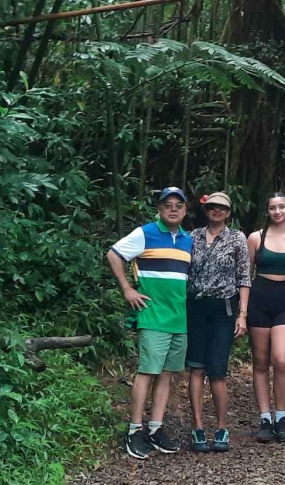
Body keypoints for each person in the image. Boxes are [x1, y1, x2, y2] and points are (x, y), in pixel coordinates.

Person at [107, 187, 193, 460]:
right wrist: (127, 289)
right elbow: (114, 254)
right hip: (153, 315)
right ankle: (134, 430)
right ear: (159, 208)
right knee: (147, 371)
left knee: (167, 374)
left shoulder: (188, 240)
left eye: (178, 205)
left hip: (179, 318)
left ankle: (155, 428)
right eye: (167, 204)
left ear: (185, 210)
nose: (173, 209)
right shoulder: (146, 233)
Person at [185, 191, 250, 454]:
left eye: (222, 208)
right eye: (212, 207)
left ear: (229, 213)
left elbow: (244, 277)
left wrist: (242, 314)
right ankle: (198, 426)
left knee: (218, 372)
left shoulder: (237, 239)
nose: (216, 211)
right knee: (196, 368)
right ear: (206, 210)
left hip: (223, 307)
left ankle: (221, 427)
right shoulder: (192, 237)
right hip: (195, 307)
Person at [247, 192, 285, 443]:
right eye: (273, 207)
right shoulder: (255, 238)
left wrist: (284, 295)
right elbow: (246, 273)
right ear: (268, 211)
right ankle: (265, 418)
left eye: (282, 206)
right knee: (261, 361)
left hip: (284, 300)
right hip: (258, 298)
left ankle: (281, 417)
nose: (277, 211)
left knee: (281, 359)